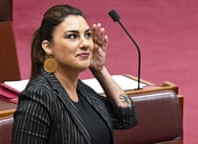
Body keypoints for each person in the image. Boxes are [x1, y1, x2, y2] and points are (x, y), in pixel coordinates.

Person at [12, 4, 138, 144]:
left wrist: (100, 70)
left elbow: (127, 118)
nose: (85, 44)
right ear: (48, 46)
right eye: (72, 36)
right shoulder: (39, 95)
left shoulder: (82, 90)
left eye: (87, 35)